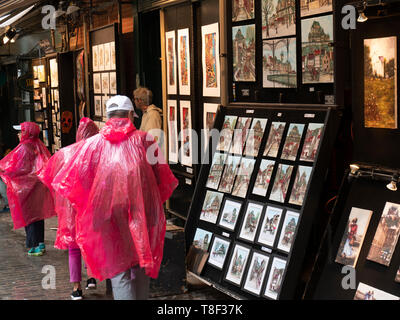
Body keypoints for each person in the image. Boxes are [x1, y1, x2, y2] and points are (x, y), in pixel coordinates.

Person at [51, 95, 178, 300]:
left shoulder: (92, 145)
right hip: (140, 214)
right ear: (130, 115)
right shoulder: (144, 140)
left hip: (107, 217)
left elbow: (78, 181)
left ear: (108, 116)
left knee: (119, 270)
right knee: (141, 262)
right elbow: (161, 178)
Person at [39, 117, 100, 300]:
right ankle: (91, 277)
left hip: (70, 209)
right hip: (90, 208)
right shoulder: (97, 155)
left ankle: (76, 288)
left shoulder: (65, 154)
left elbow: (48, 175)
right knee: (90, 244)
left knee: (74, 247)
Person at [0, 122, 55, 256]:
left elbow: (18, 168)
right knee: (38, 215)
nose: (18, 134)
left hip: (26, 189)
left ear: (26, 133)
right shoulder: (38, 145)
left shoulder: (24, 148)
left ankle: (34, 245)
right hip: (37, 187)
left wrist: (5, 171)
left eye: (20, 131)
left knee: (28, 216)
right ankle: (40, 243)